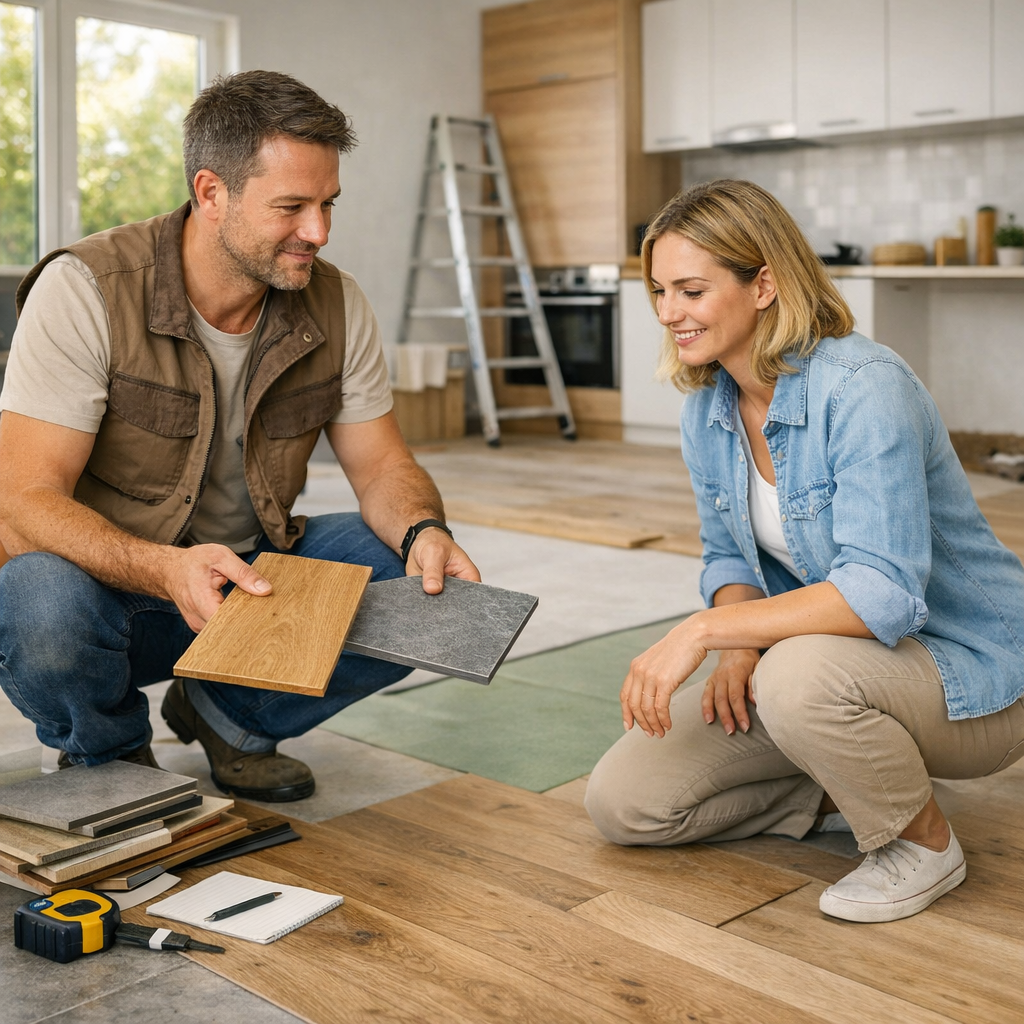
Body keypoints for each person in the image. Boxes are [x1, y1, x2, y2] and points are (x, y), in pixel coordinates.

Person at [0, 70, 479, 802]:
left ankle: (229, 715)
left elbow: (382, 465)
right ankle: (113, 761)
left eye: (327, 205)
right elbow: (24, 500)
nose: (317, 232)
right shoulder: (86, 288)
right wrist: (164, 569)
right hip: (110, 589)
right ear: (211, 192)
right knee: (35, 598)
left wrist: (422, 531)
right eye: (291, 207)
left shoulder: (336, 302)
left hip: (251, 578)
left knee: (420, 592)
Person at [584, 179, 1024, 923]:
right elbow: (726, 557)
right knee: (625, 805)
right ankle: (846, 779)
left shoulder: (863, 387)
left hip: (971, 677)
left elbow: (883, 592)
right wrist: (734, 646)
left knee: (794, 674)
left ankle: (921, 844)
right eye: (658, 290)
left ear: (763, 284)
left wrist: (704, 632)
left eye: (690, 290)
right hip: (835, 673)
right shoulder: (708, 409)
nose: (668, 314)